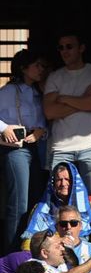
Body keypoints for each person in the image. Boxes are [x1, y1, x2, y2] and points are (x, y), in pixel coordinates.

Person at [43, 32, 91, 201]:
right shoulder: (55, 76)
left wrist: (64, 99)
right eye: (61, 47)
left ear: (81, 48)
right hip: (61, 148)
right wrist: (83, 99)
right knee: (59, 200)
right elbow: (50, 112)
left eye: (69, 46)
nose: (64, 51)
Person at [0, 48, 47, 251]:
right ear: (23, 68)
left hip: (36, 148)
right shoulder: (8, 91)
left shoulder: (39, 92)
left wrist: (40, 131)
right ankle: (10, 255)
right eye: (36, 65)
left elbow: (44, 121)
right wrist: (4, 127)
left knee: (36, 201)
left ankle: (29, 251)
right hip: (15, 149)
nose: (41, 69)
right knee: (18, 203)